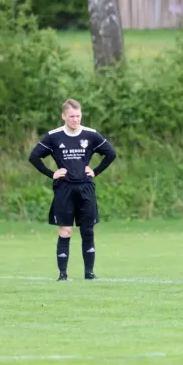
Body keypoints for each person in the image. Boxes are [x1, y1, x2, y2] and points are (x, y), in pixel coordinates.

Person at [29, 99, 117, 281]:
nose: (75, 120)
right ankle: (63, 275)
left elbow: (111, 153)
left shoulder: (91, 135)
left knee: (88, 230)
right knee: (65, 230)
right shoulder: (54, 136)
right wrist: (52, 173)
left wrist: (95, 171)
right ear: (64, 116)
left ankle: (89, 274)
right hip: (64, 189)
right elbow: (34, 157)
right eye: (71, 116)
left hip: (85, 187)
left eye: (78, 116)